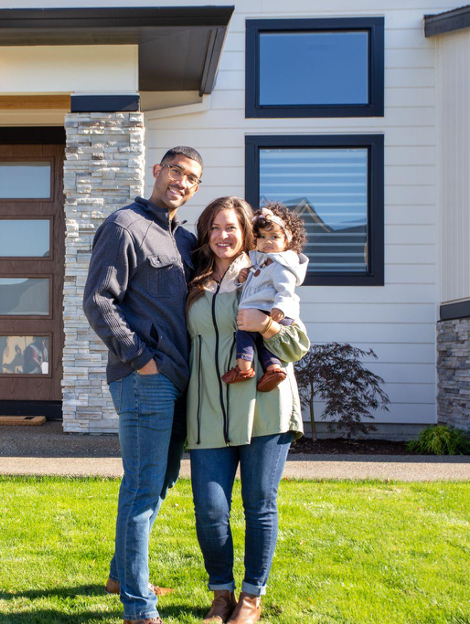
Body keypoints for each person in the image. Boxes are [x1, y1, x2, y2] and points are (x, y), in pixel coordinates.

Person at [83, 146, 203, 624]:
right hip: (144, 379)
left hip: (178, 379)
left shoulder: (186, 239)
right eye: (175, 170)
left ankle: (120, 575)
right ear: (157, 170)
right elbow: (99, 302)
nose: (181, 181)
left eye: (191, 178)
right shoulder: (124, 226)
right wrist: (140, 360)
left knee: (159, 483)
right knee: (142, 487)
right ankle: (138, 604)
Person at [184, 196, 310, 624]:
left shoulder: (265, 272)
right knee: (211, 509)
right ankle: (221, 594)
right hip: (208, 411)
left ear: (247, 234)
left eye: (233, 228)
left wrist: (268, 326)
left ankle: (252, 599)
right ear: (206, 233)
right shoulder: (193, 280)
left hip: (265, 408)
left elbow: (297, 346)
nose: (224, 236)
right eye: (216, 227)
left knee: (258, 503)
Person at [224, 202, 309, 392]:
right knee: (264, 343)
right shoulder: (262, 261)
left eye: (274, 237)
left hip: (270, 311)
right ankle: (273, 369)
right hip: (265, 309)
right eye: (261, 236)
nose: (267, 241)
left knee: (244, 334)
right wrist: (242, 278)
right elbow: (252, 286)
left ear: (287, 240)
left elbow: (286, 289)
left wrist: (280, 307)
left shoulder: (281, 264)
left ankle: (243, 369)